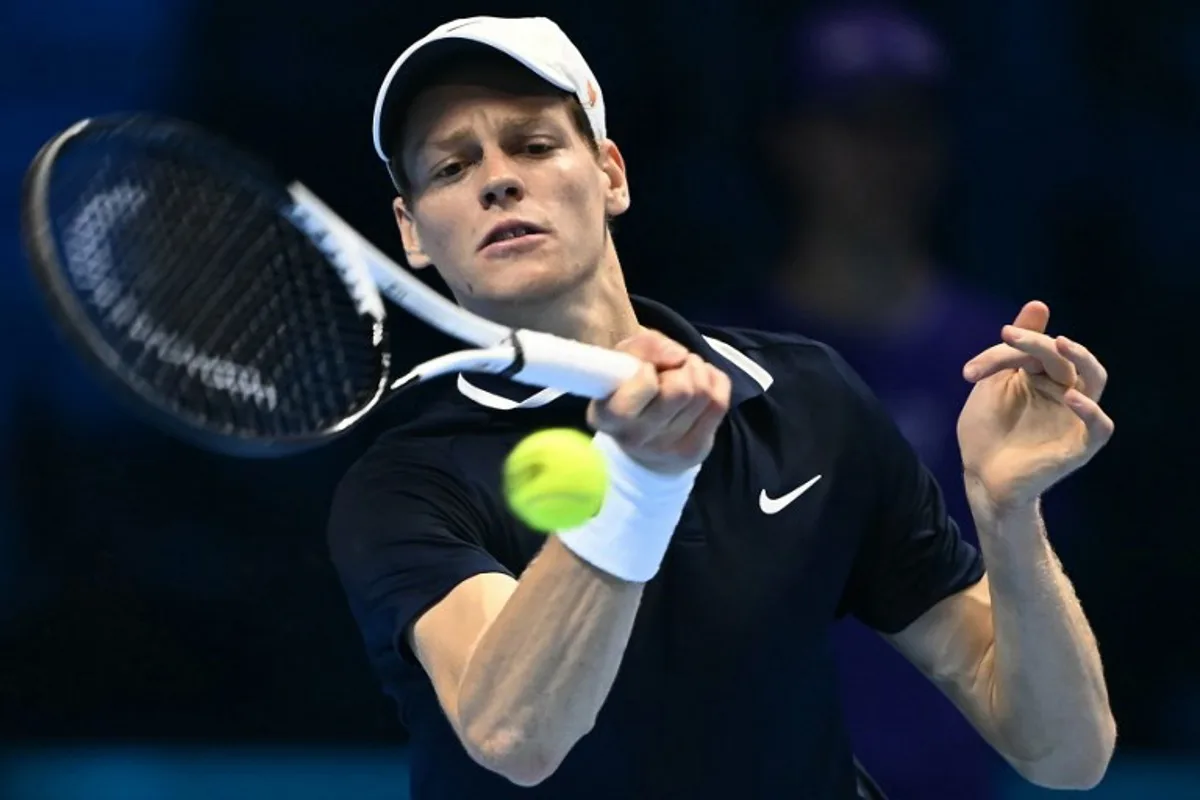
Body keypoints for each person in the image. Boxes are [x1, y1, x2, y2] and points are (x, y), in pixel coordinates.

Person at [327, 15, 1116, 799]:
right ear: (413, 231)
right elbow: (515, 736)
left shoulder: (808, 401)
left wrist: (1008, 513)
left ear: (610, 175)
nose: (497, 179)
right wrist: (637, 482)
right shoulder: (404, 487)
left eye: (533, 145)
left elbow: (1064, 755)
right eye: (451, 168)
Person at [686, 4, 1083, 795]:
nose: (882, 155)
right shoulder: (705, 366)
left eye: (909, 124)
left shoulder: (1012, 365)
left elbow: (1049, 642)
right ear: (791, 141)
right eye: (852, 123)